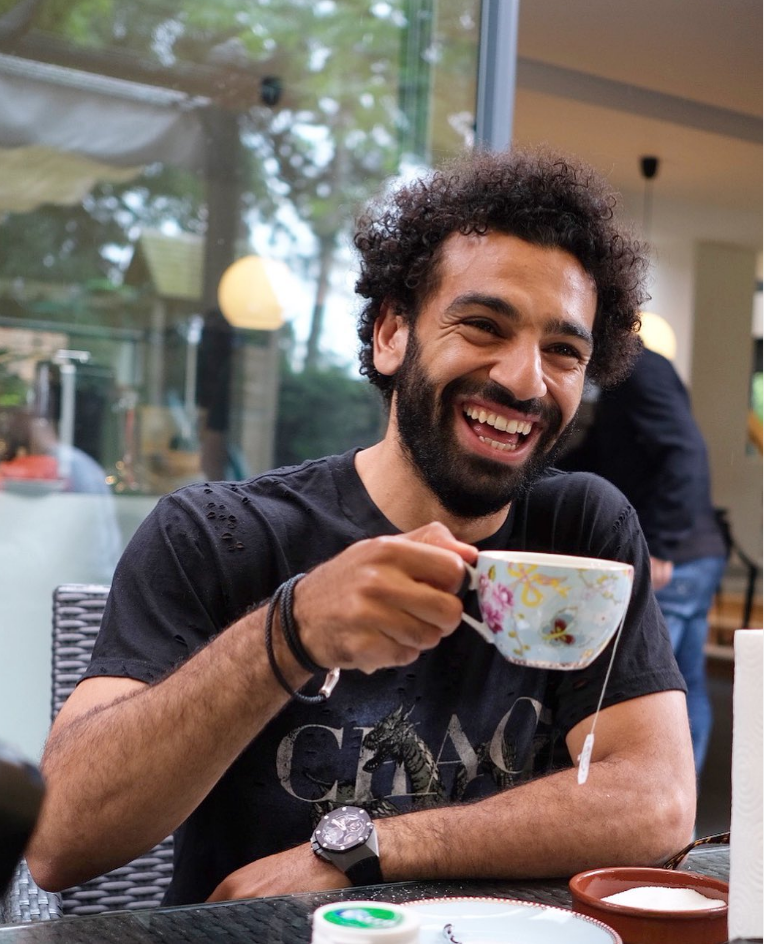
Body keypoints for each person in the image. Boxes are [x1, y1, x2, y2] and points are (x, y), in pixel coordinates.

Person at [26, 148, 695, 907]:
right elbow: (56, 841)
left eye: (564, 351)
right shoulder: (216, 534)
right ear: (391, 333)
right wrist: (290, 633)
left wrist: (360, 851)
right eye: (482, 326)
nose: (524, 379)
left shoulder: (581, 533)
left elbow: (658, 799)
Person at [558, 341, 729, 776]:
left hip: (676, 558)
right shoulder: (624, 376)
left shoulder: (640, 369)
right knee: (684, 685)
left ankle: (663, 808)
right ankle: (681, 807)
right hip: (692, 554)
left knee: (642, 694)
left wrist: (663, 545)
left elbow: (686, 451)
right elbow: (600, 453)